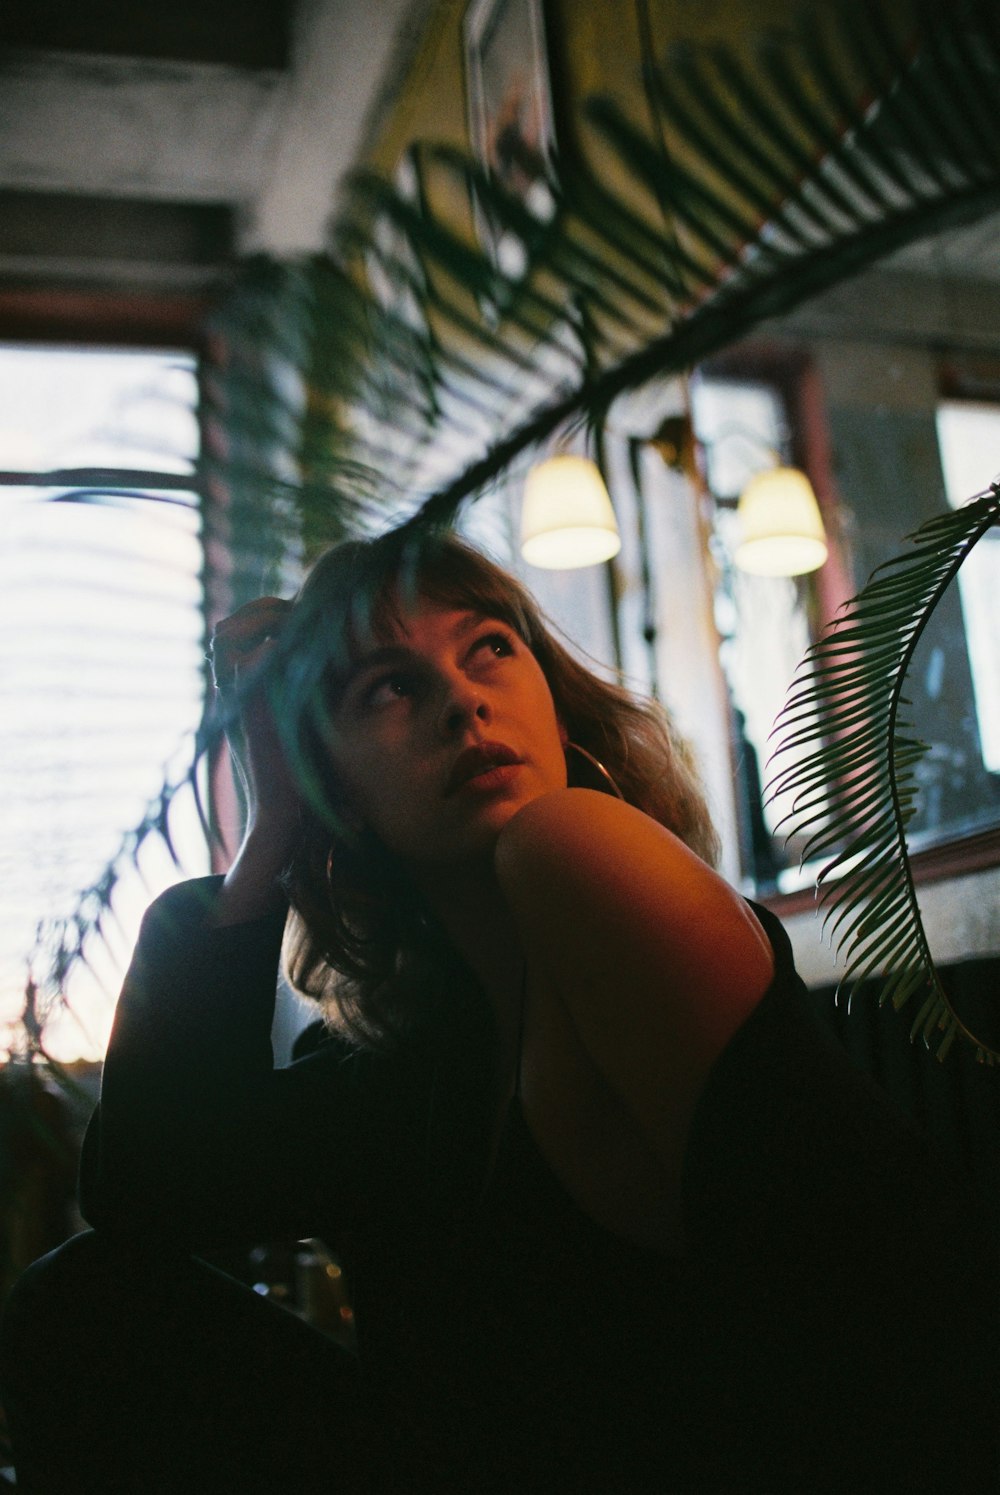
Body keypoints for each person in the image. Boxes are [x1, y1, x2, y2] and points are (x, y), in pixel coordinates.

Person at [1, 530, 996, 1494]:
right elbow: (149, 1193)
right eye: (386, 684)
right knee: (78, 1300)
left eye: (487, 646)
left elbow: (893, 1323)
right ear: (333, 787)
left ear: (554, 709)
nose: (458, 699)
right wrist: (268, 837)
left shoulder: (584, 857)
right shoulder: (393, 1064)